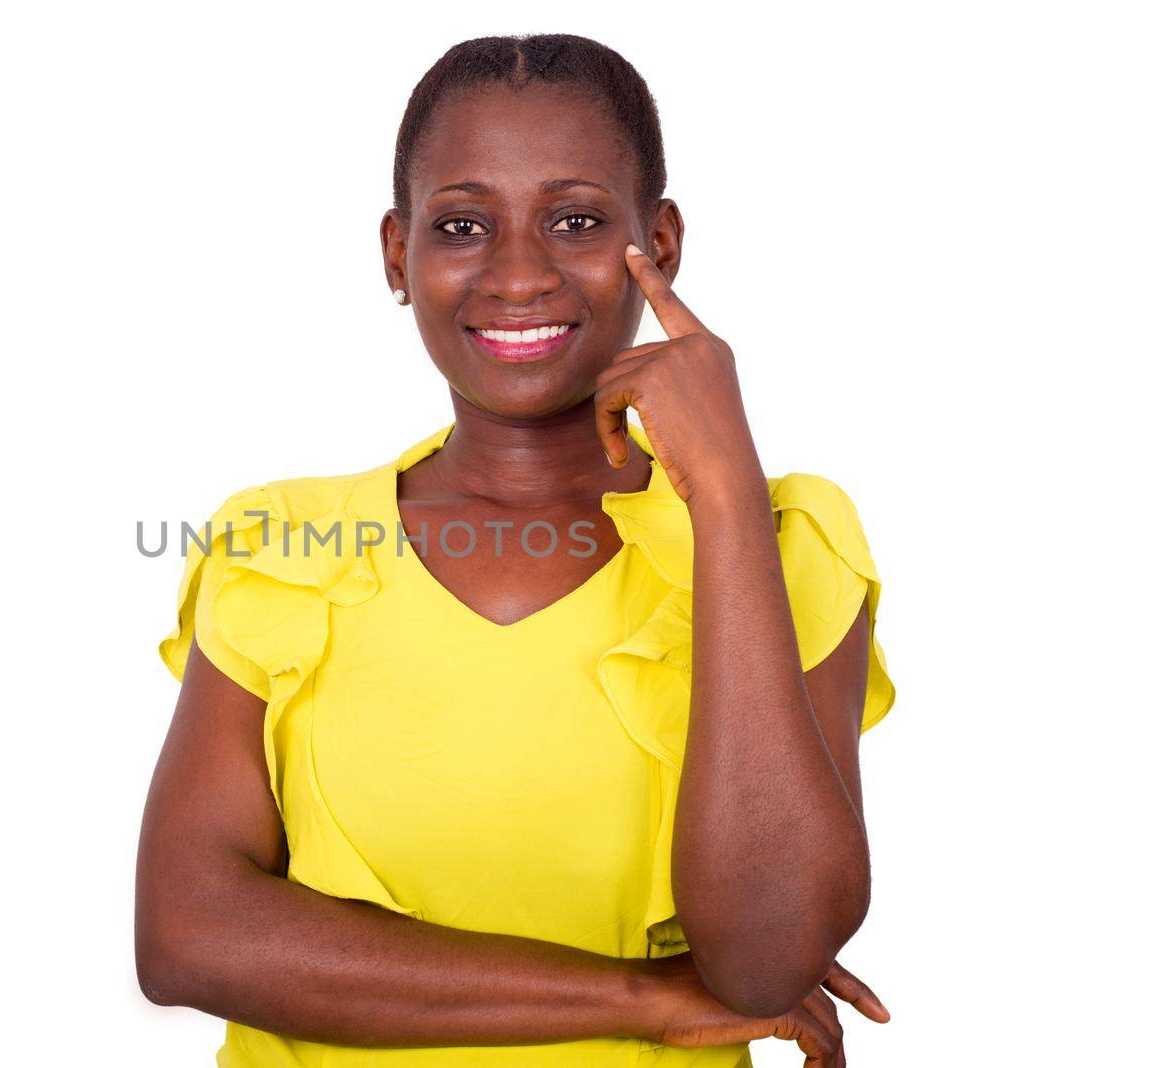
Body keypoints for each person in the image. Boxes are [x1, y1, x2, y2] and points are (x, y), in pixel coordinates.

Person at [136, 33, 896, 1068]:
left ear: (660, 245)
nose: (519, 273)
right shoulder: (278, 547)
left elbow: (767, 959)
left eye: (575, 220)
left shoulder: (784, 541)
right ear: (398, 256)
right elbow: (188, 936)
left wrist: (721, 496)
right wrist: (639, 997)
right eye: (462, 225)